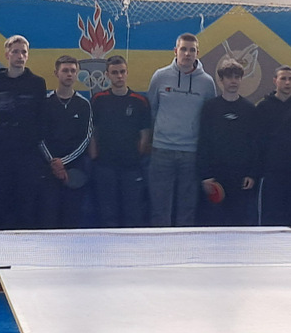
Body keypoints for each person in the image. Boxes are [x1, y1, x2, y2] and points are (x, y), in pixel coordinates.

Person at [0, 35, 47, 229]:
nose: (20, 56)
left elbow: (41, 118)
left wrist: (32, 144)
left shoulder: (37, 83)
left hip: (27, 156)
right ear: (7, 55)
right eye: (15, 52)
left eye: (23, 52)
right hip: (0, 155)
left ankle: (25, 245)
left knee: (26, 205)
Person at [147, 33, 216, 227]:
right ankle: (160, 245)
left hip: (191, 153)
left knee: (187, 208)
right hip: (162, 151)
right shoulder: (160, 76)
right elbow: (151, 110)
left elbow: (209, 119)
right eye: (183, 49)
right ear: (175, 51)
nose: (187, 54)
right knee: (159, 207)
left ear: (197, 53)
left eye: (192, 50)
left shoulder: (207, 83)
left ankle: (184, 246)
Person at [90, 55, 151, 227]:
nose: (119, 76)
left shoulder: (140, 101)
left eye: (122, 72)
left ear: (127, 73)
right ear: (107, 75)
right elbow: (93, 131)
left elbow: (145, 133)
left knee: (133, 214)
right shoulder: (98, 99)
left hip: (131, 167)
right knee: (107, 215)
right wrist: (94, 154)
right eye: (115, 72)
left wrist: (136, 154)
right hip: (105, 166)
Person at [197, 59, 259, 226]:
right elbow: (203, 142)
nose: (233, 81)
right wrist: (206, 176)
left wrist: (252, 174)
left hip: (240, 177)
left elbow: (254, 144)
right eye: (229, 77)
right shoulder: (210, 108)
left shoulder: (249, 109)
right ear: (221, 80)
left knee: (239, 224)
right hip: (215, 176)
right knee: (214, 224)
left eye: (237, 77)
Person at [40, 56, 93, 228]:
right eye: (65, 70)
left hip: (74, 171)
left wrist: (63, 162)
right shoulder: (45, 103)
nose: (69, 74)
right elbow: (39, 137)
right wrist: (54, 163)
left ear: (77, 74)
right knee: (49, 219)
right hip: (48, 171)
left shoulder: (84, 104)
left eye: (73, 71)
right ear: (56, 73)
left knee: (71, 220)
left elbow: (86, 138)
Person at [256, 65, 291, 226]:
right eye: (283, 78)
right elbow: (257, 142)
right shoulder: (263, 108)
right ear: (275, 81)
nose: (287, 82)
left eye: (290, 79)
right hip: (271, 174)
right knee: (270, 219)